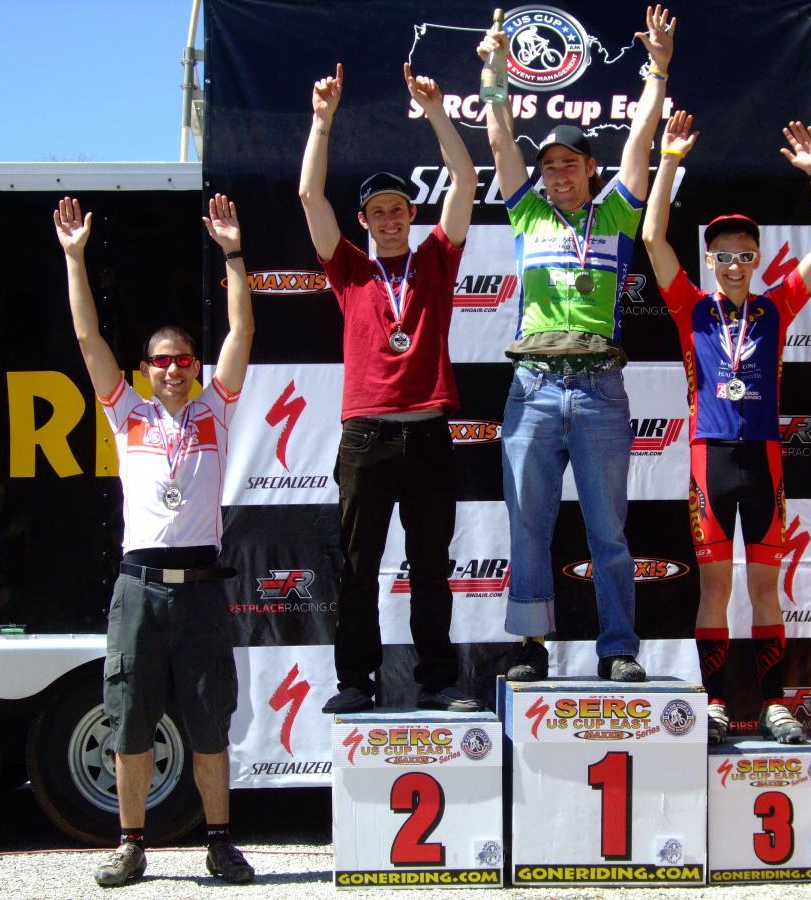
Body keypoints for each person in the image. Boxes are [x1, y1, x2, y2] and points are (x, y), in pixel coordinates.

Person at [54, 194, 255, 887]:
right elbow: (88, 342)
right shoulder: (127, 413)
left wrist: (232, 254)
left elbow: (242, 333)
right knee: (130, 724)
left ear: (195, 367)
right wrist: (75, 258)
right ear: (145, 369)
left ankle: (221, 842)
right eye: (160, 360)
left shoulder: (216, 410)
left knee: (208, 727)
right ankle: (130, 842)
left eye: (182, 359)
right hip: (136, 591)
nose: (172, 368)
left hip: (200, 592)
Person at [477, 6, 676, 684]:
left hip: (597, 390)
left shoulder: (617, 211)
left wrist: (658, 70)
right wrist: (495, 71)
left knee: (607, 533)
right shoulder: (526, 210)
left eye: (568, 164)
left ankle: (618, 648)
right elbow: (501, 141)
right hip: (532, 388)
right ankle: (531, 647)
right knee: (528, 527)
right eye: (549, 166)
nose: (556, 174)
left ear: (591, 168)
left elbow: (644, 136)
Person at [643, 110, 811, 742]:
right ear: (710, 258)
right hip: (709, 457)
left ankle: (775, 703)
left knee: (763, 590)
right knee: (712, 590)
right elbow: (652, 239)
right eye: (724, 255)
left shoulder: (776, 305)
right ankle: (715, 704)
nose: (734, 264)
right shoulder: (692, 308)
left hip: (763, 459)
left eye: (745, 255)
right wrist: (669, 159)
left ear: (757, 259)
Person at [299, 63, 480, 715]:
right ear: (366, 221)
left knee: (430, 568)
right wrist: (322, 120)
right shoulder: (349, 269)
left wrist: (436, 112)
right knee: (356, 570)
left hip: (429, 433)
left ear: (410, 214)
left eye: (398, 209)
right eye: (377, 212)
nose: (389, 220)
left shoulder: (436, 259)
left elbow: (465, 181)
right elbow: (309, 199)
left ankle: (437, 681)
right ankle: (356, 682)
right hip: (367, 436)